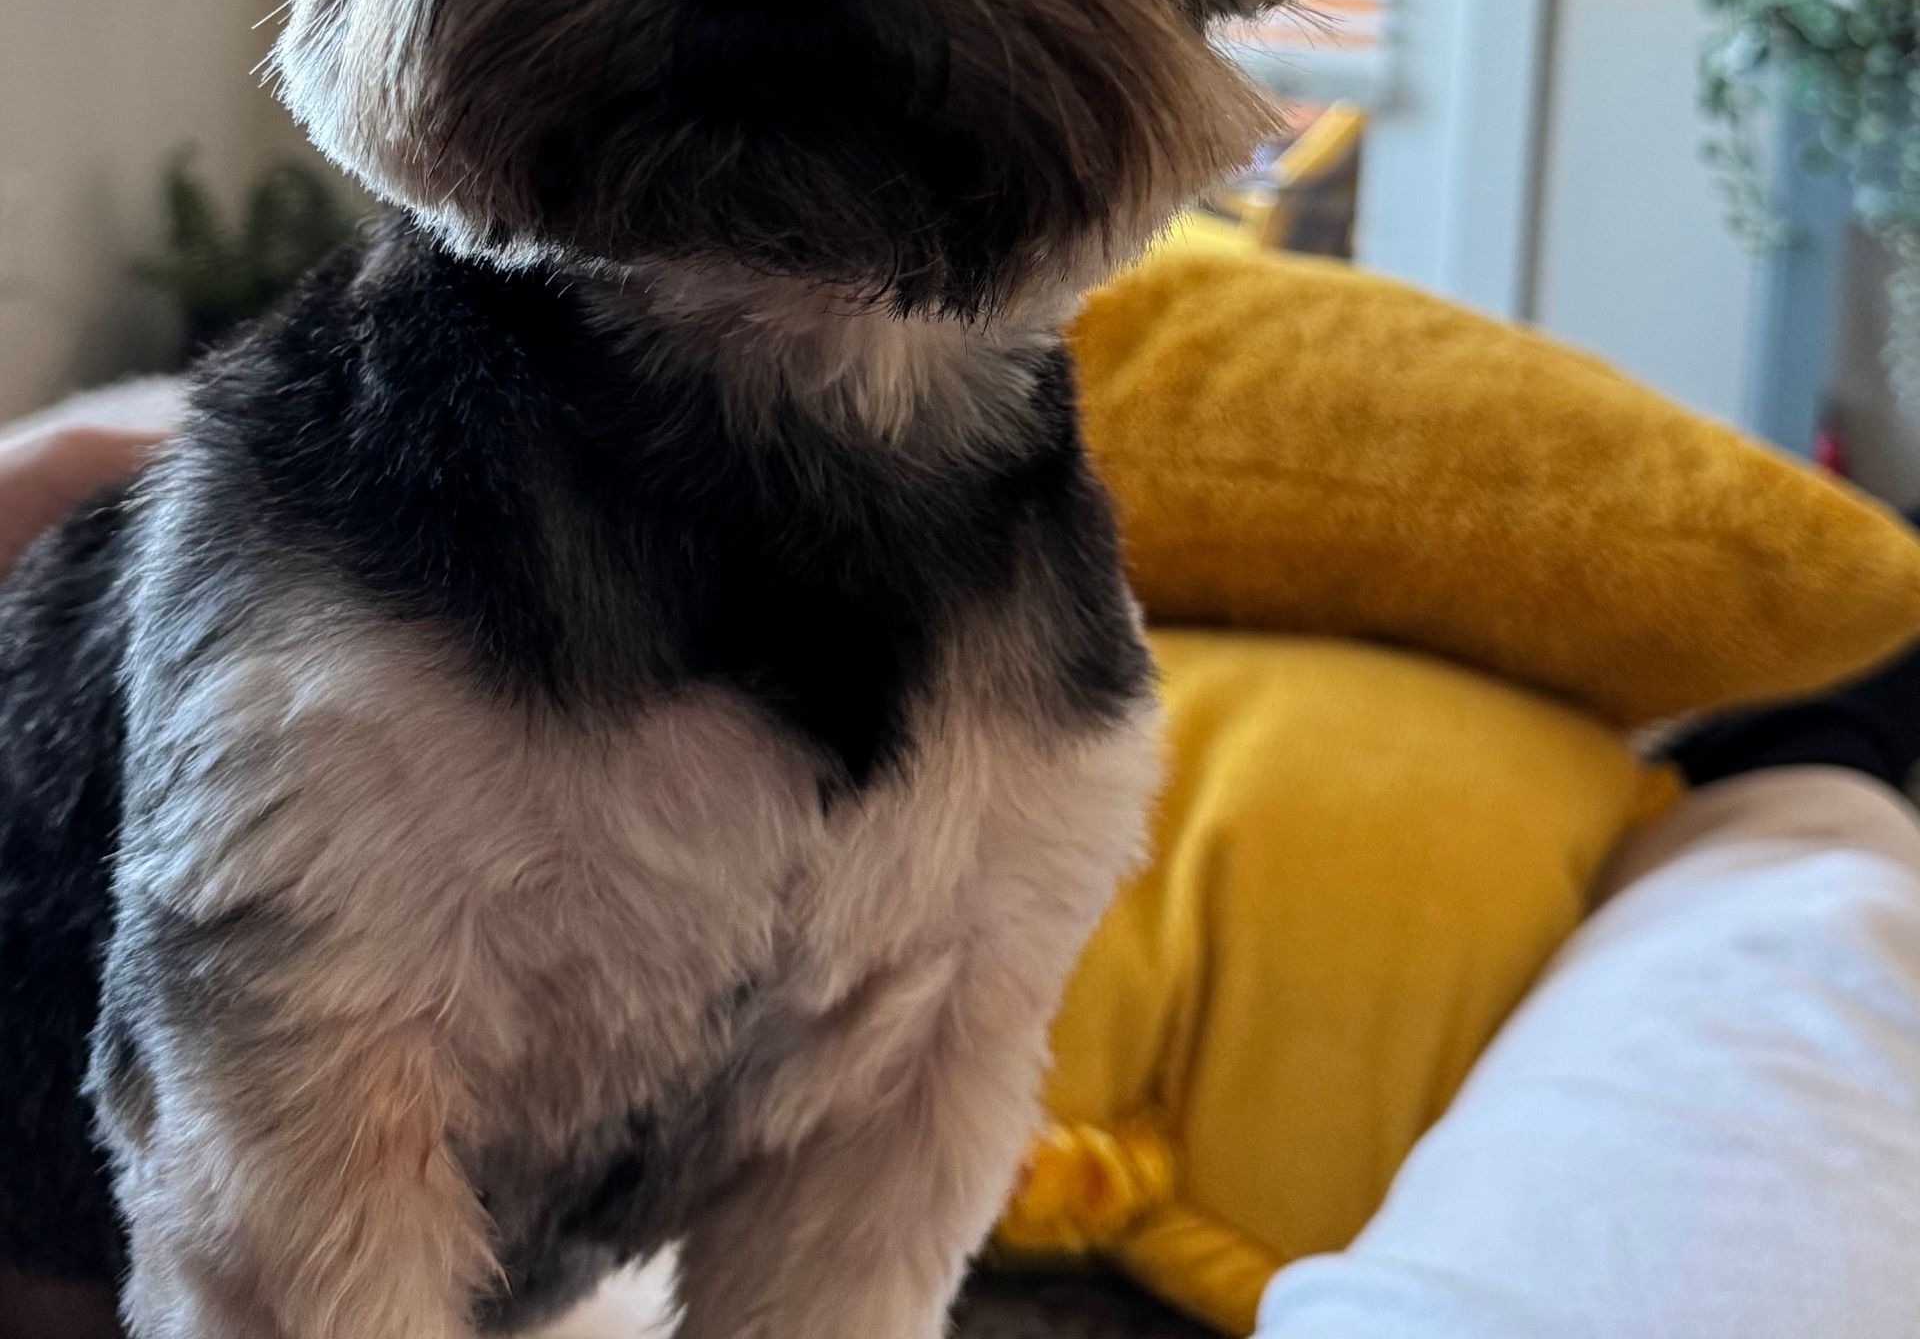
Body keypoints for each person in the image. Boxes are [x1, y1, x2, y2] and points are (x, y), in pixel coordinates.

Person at [7, 398, 1920, 1339]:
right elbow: (275, 1191)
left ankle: (1819, 758)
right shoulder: (310, 622)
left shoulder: (1051, 717)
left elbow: (886, 1156)